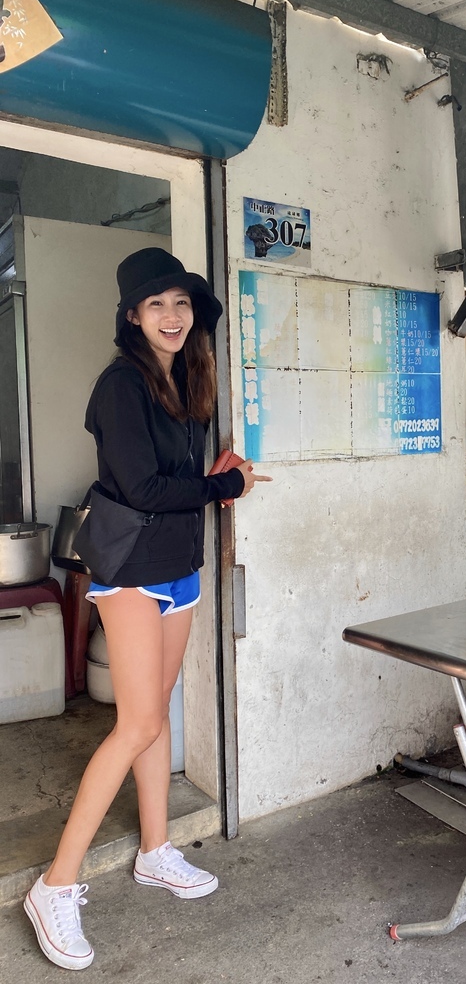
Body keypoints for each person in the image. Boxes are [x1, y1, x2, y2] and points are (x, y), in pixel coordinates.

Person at [23, 247, 270, 970]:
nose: (172, 316)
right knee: (134, 725)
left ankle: (156, 851)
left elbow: (175, 481)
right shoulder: (120, 386)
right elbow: (139, 489)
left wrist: (213, 474)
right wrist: (224, 492)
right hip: (131, 570)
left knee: (156, 714)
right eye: (157, 304)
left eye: (182, 304)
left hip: (178, 570)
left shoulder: (183, 384)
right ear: (133, 315)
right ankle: (55, 885)